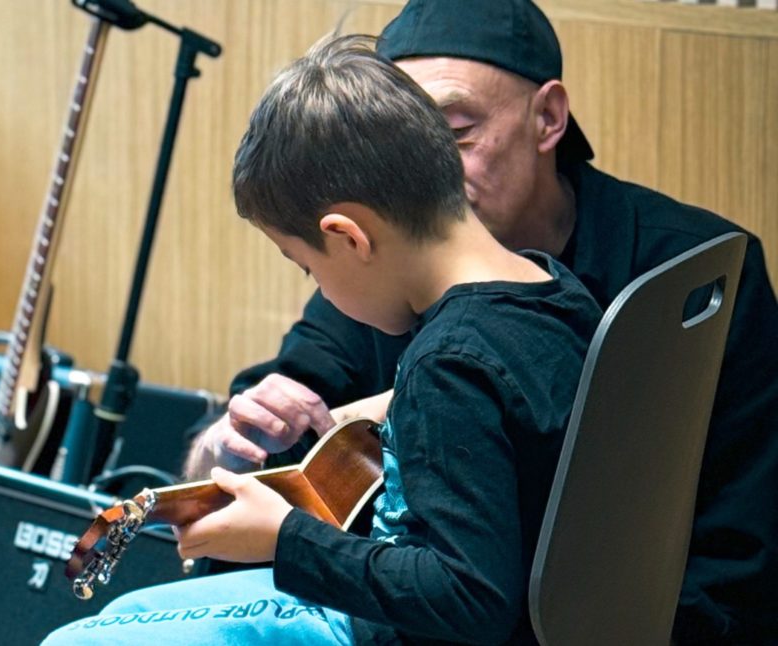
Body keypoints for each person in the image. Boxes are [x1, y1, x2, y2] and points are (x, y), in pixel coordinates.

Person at [185, 1, 778, 642]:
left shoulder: (685, 273)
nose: (412, 168)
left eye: (452, 131)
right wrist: (226, 447)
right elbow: (260, 456)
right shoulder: (403, 275)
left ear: (548, 117)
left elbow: (739, 562)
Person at [43, 34, 603, 644]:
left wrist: (285, 540)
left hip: (399, 629)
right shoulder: (553, 288)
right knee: (121, 618)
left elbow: (470, 597)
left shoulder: (448, 363)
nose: (318, 286)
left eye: (306, 265)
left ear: (349, 238)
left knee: (73, 640)